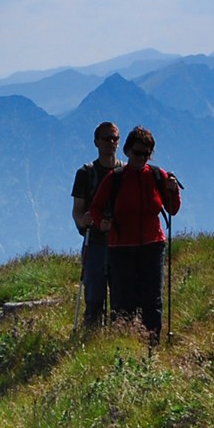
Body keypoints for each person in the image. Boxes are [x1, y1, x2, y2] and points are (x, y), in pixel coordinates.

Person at [86, 125, 181, 344]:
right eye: (138, 153)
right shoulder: (115, 178)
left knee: (152, 299)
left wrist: (173, 191)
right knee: (123, 300)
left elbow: (172, 209)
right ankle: (125, 343)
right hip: (122, 249)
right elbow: (96, 208)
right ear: (127, 151)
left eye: (146, 154)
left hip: (152, 246)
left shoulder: (158, 175)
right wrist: (103, 224)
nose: (142, 158)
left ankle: (151, 346)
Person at [71, 122, 125, 328]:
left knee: (121, 296)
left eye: (115, 139)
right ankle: (93, 335)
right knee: (94, 297)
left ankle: (111, 337)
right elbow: (77, 210)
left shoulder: (126, 172)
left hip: (121, 243)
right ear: (96, 142)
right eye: (107, 138)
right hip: (96, 242)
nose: (111, 143)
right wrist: (82, 221)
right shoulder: (86, 173)